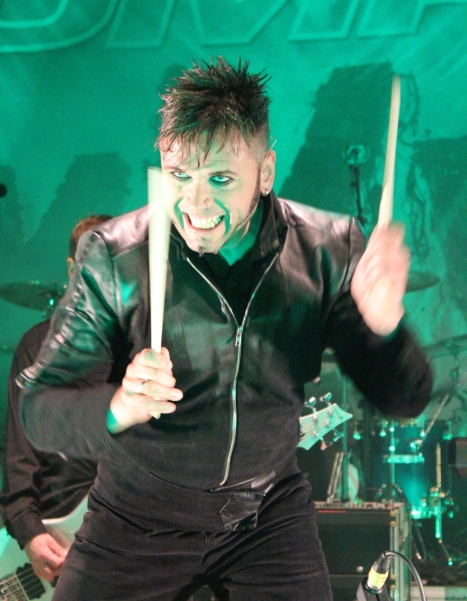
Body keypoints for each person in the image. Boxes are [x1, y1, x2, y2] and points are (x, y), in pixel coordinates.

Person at [18, 58, 432, 601]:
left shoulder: (327, 252)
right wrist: (117, 406)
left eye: (220, 178)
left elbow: (404, 399)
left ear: (265, 172)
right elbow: (39, 408)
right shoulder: (116, 257)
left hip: (265, 515)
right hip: (136, 518)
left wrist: (387, 328)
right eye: (180, 176)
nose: (195, 204)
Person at [1, 214, 113, 582]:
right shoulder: (37, 346)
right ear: (71, 269)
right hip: (55, 536)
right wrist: (30, 532)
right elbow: (20, 455)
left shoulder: (146, 348)